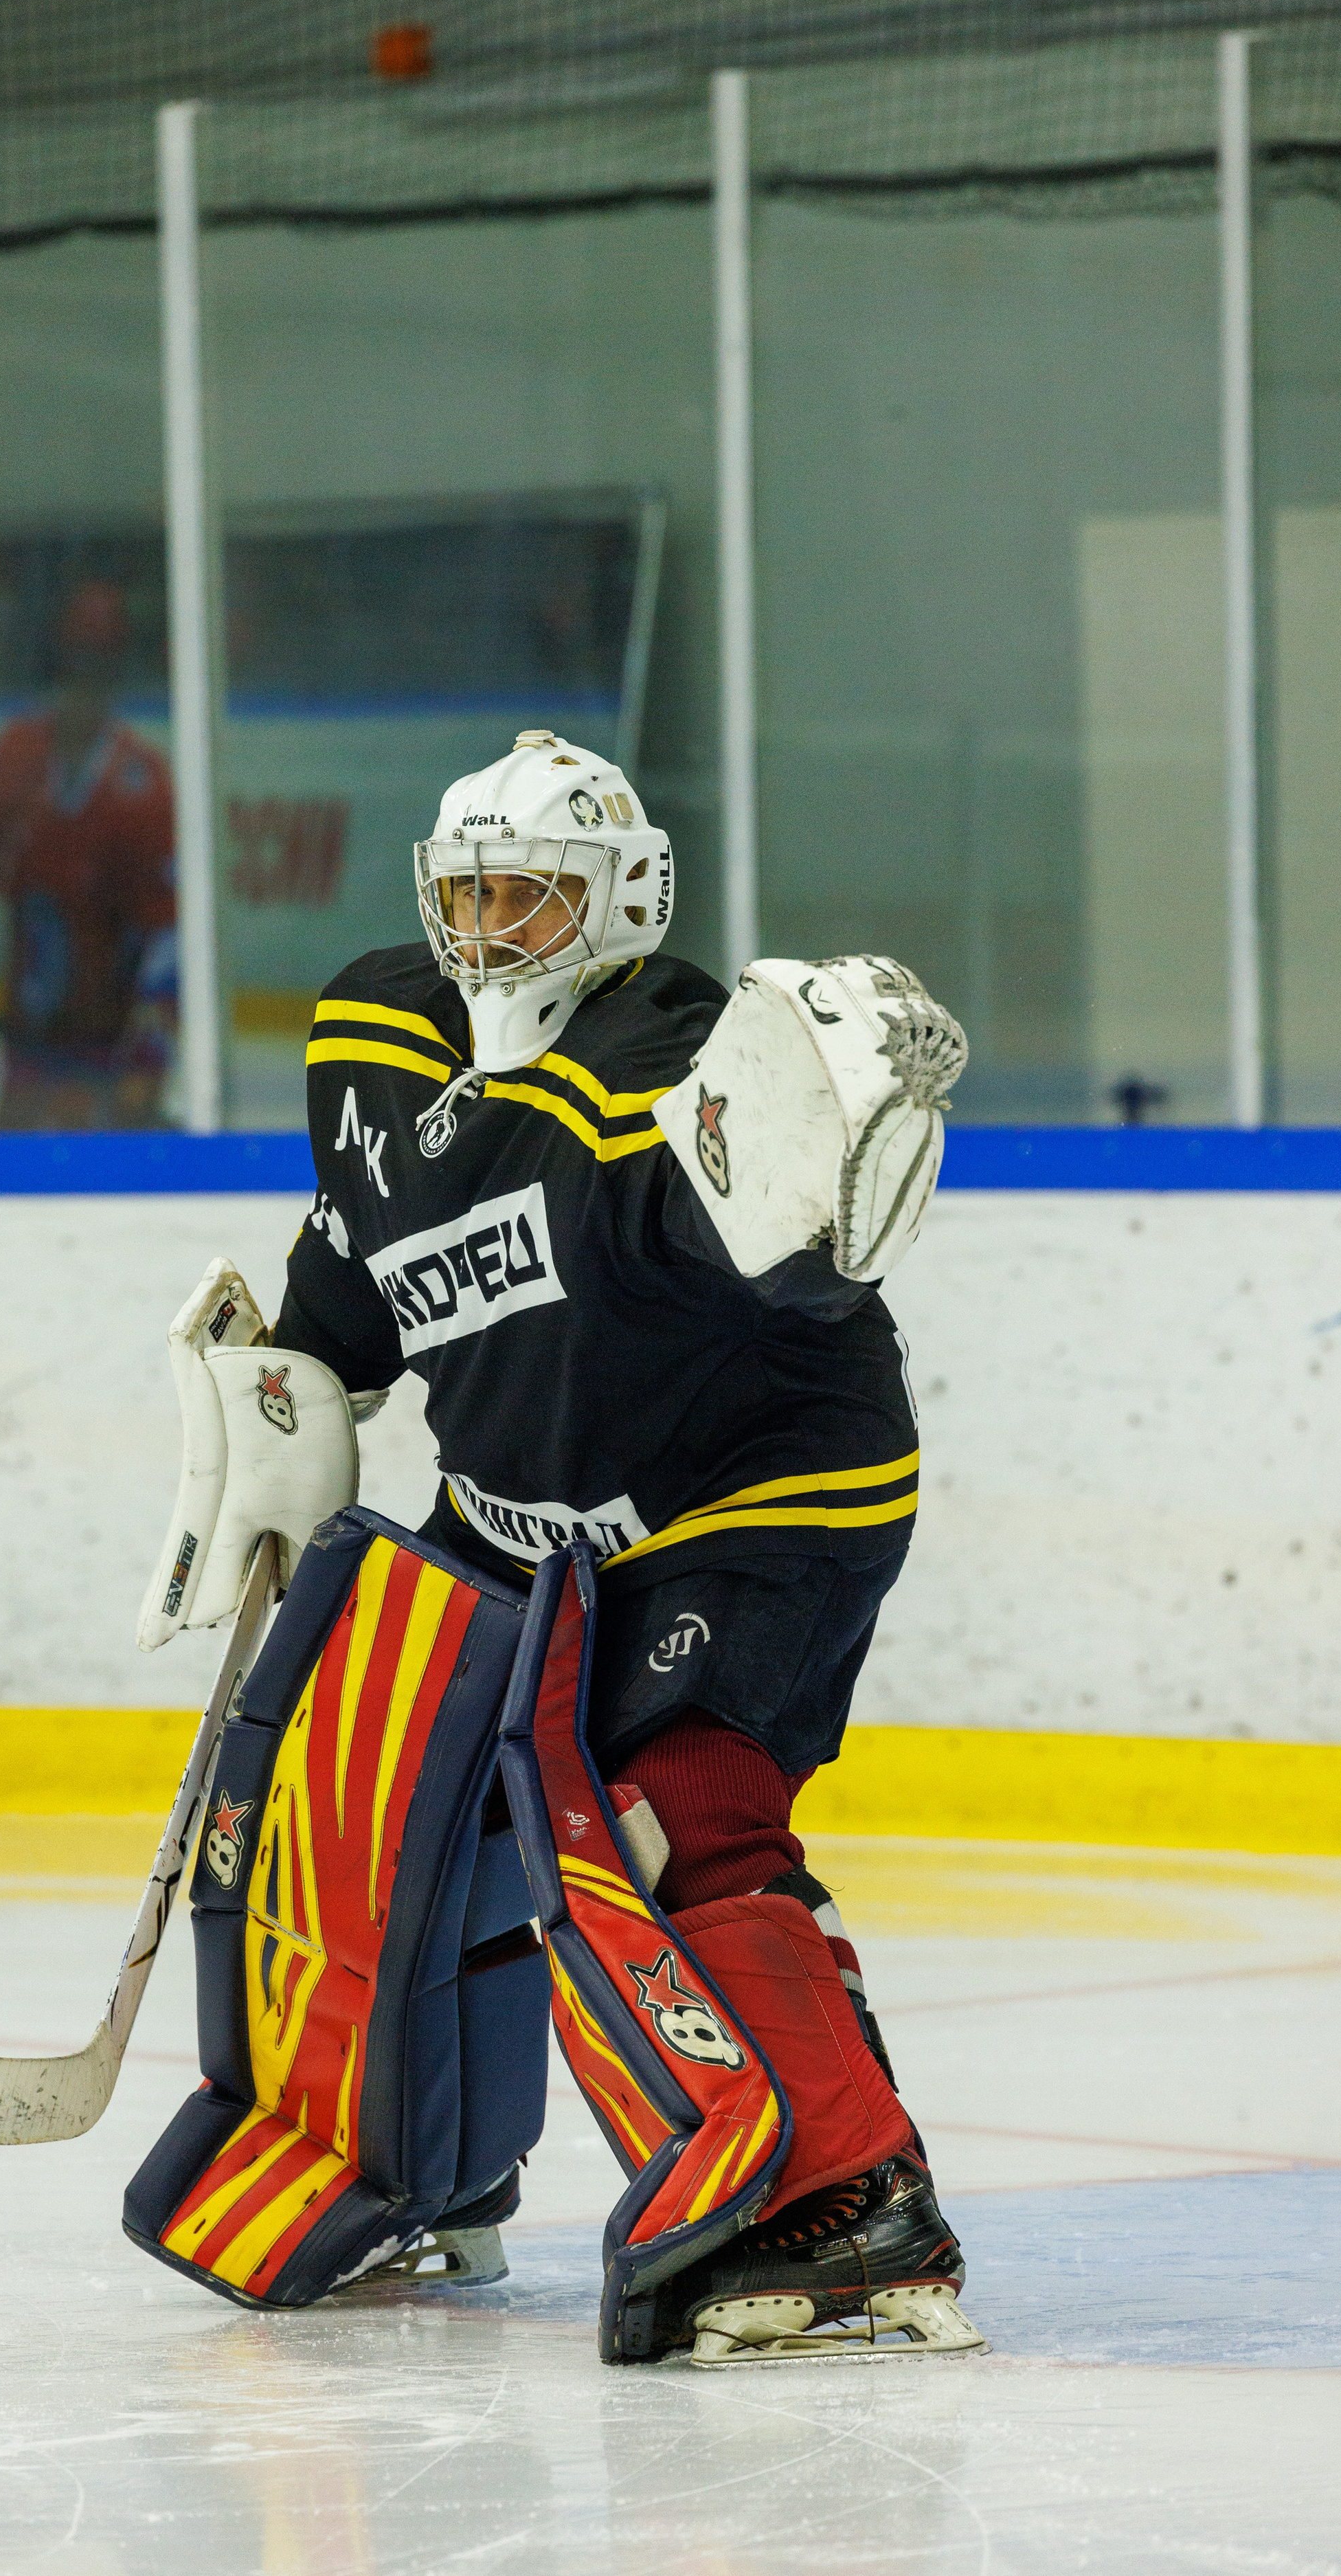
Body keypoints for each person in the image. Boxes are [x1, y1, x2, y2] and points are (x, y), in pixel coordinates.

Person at [256, 725, 976, 2356]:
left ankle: (847, 2204)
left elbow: (788, 1248)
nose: (491, 928)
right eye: (470, 892)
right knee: (386, 1815)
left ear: (622, 901)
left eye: (533, 897)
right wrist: (277, 1402)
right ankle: (424, 2171)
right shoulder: (372, 1030)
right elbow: (349, 1283)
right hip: (517, 1518)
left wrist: (840, 1144)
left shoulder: (667, 1061)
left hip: (753, 1496)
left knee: (672, 1815)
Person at [0, 579, 177, 1130]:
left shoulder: (142, 784)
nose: (85, 677)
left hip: (106, 1054)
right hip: (26, 1056)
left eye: (98, 662)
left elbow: (168, 929)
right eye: (78, 660)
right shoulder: (17, 755)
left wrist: (150, 1054)